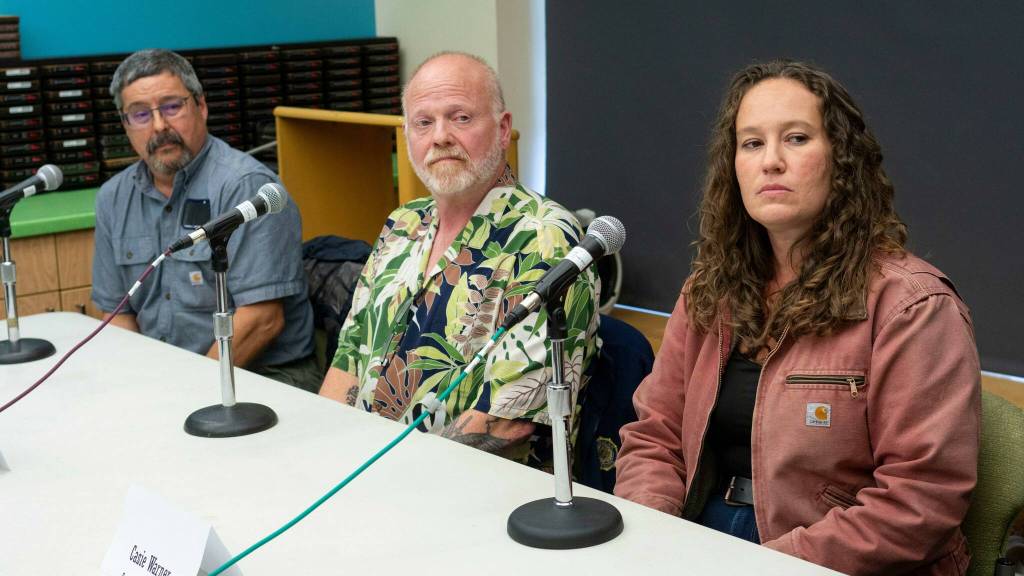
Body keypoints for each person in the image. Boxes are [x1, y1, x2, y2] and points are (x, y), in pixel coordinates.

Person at [614, 59, 980, 575]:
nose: (772, 162)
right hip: (699, 533)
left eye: (797, 138)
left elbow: (920, 500)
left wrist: (764, 567)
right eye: (752, 143)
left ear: (842, 160)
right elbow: (656, 435)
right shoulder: (709, 290)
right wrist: (653, 538)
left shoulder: (912, 305)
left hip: (829, 557)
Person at [320, 52, 599, 465]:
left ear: (503, 129)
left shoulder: (545, 238)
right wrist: (323, 458)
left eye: (461, 118)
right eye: (424, 122)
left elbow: (507, 424)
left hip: (475, 489)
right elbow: (349, 359)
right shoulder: (402, 223)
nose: (441, 137)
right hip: (361, 471)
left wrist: (382, 476)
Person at [91, 49, 319, 392]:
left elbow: (263, 321)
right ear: (125, 124)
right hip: (165, 379)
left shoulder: (246, 187)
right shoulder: (113, 198)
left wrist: (188, 394)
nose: (159, 126)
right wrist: (138, 387)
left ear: (201, 106)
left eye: (172, 106)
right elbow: (116, 314)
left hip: (265, 375)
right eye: (140, 114)